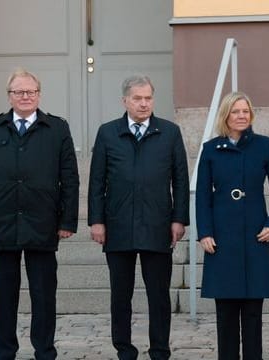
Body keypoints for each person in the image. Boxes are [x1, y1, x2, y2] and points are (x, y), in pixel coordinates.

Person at [0, 68, 79, 360]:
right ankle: (4, 352)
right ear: (10, 96)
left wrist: (68, 220)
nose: (25, 96)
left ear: (39, 95)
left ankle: (44, 351)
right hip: (1, 223)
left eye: (30, 91)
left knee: (44, 296)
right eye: (19, 91)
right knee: (3, 297)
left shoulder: (57, 128)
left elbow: (70, 178)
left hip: (43, 222)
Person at [88, 74, 189, 360]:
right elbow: (97, 181)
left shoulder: (169, 132)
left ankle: (160, 349)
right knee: (121, 295)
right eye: (137, 98)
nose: (144, 104)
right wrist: (97, 220)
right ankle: (124, 348)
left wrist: (179, 218)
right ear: (125, 101)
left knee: (159, 295)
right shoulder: (108, 133)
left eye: (148, 98)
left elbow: (180, 179)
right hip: (118, 226)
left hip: (158, 225)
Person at [196, 91, 269, 360]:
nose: (241, 116)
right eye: (235, 111)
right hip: (221, 239)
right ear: (226, 115)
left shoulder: (264, 145)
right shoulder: (211, 149)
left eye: (245, 111)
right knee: (225, 313)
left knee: (252, 312)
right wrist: (205, 232)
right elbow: (202, 194)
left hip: (255, 237)